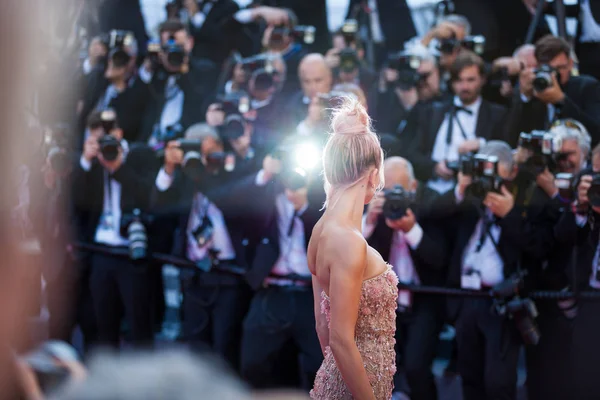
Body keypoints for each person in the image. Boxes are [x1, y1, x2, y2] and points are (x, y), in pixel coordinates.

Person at [308, 98, 398, 400]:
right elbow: (340, 339)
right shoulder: (348, 241)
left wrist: (336, 378)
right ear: (373, 172)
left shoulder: (320, 230)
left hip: (341, 381)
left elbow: (322, 324)